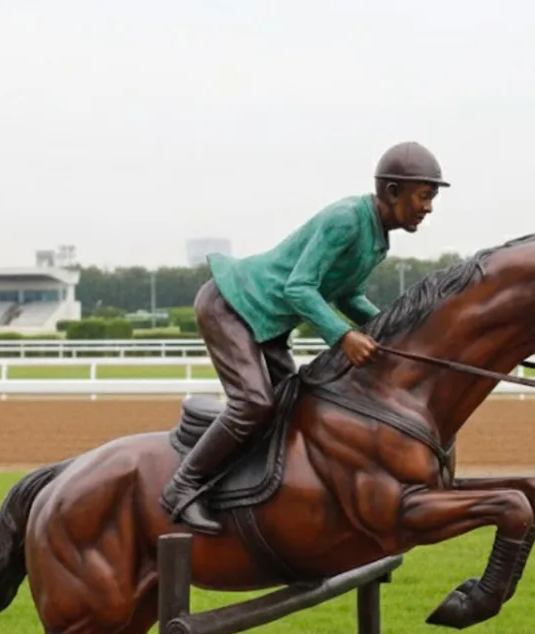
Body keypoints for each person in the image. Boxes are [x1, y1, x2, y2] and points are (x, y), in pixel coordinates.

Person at [160, 141, 449, 534]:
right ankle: (182, 486)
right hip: (230, 306)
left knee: (297, 403)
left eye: (431, 197)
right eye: (424, 196)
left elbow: (349, 295)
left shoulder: (378, 238)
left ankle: (253, 489)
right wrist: (344, 336)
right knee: (255, 404)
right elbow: (299, 288)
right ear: (393, 191)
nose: (428, 207)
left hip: (268, 322)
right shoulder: (347, 219)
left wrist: (393, 329)